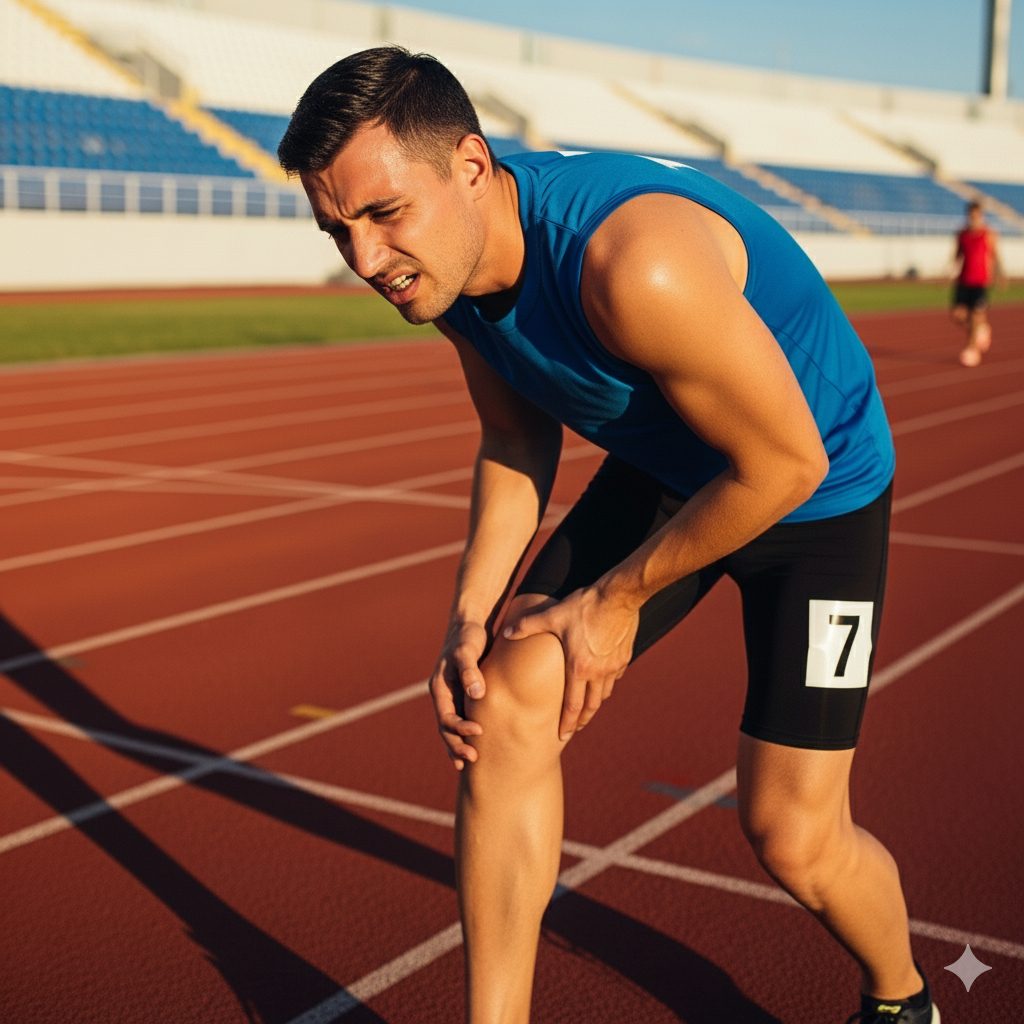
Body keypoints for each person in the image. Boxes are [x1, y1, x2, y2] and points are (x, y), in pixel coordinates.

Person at [280, 46, 938, 1024]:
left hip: (813, 489)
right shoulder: (447, 268)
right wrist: (468, 615)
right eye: (339, 229)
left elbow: (781, 465)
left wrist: (615, 601)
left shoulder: (634, 266)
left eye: (383, 214)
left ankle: (904, 1001)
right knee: (501, 704)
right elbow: (514, 433)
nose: (366, 260)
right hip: (673, 467)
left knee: (792, 833)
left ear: (469, 166)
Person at [952, 201, 1002, 367]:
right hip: (963, 280)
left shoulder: (988, 234)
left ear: (981, 215)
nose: (974, 218)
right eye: (971, 215)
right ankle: (981, 329)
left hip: (980, 282)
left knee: (975, 315)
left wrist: (1001, 274)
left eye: (977, 215)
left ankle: (972, 349)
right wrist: (948, 271)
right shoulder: (962, 234)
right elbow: (957, 254)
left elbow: (995, 255)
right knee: (958, 315)